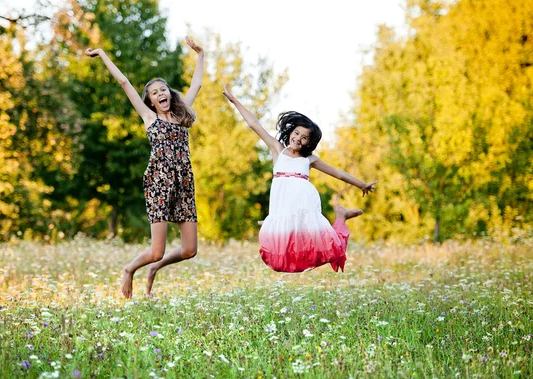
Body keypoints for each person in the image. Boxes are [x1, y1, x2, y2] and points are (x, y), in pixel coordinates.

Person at [85, 35, 204, 297]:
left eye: (163, 89)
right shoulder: (149, 117)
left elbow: (196, 83)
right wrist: (103, 54)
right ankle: (130, 269)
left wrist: (200, 54)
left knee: (189, 250)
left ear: (170, 95)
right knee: (155, 250)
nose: (161, 94)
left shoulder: (181, 116)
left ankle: (155, 268)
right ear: (150, 101)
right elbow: (124, 82)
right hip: (159, 182)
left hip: (184, 182)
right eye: (154, 92)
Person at [222, 85, 376, 273]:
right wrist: (234, 100)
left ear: (309, 142)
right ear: (291, 132)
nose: (298, 139)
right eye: (296, 133)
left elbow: (338, 173)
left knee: (327, 251)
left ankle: (341, 216)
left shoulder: (309, 159)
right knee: (280, 263)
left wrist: (362, 184)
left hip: (305, 205)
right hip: (283, 207)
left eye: (304, 138)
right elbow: (254, 124)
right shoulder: (278, 149)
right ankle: (272, 222)